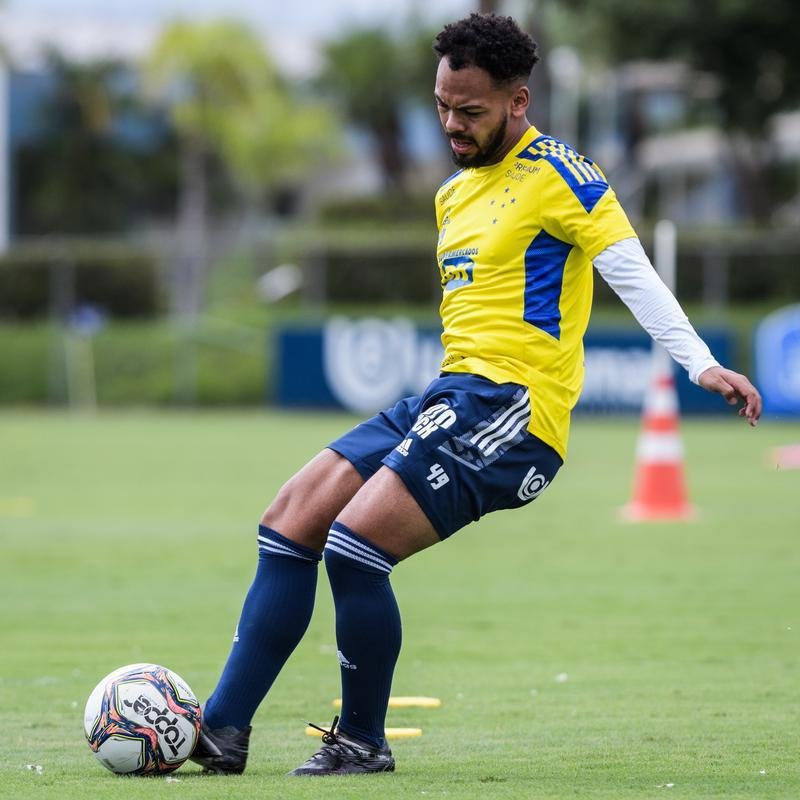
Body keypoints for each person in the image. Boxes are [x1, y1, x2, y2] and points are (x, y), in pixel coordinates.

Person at [190, 13, 762, 777]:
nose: (451, 126)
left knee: (357, 546)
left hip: (516, 410)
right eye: (441, 107)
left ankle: (362, 742)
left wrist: (699, 363)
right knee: (290, 519)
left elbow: (630, 270)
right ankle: (219, 734)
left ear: (518, 100)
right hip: (449, 393)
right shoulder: (453, 194)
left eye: (471, 111)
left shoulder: (562, 173)